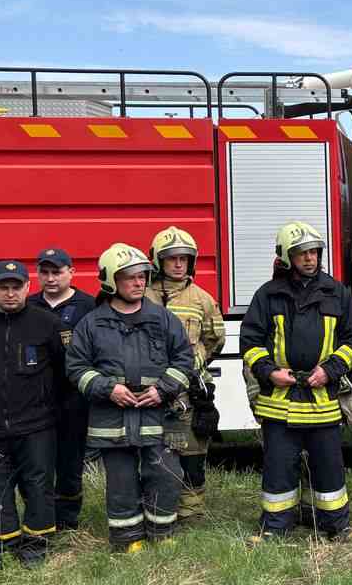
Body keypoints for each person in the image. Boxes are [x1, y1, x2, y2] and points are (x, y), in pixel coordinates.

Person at [240, 222, 352, 541]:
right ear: (286, 257)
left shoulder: (336, 292)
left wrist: (330, 370)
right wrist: (270, 372)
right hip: (279, 400)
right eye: (301, 254)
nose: (310, 259)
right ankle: (275, 528)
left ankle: (337, 526)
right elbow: (250, 342)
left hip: (322, 397)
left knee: (329, 467)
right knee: (279, 467)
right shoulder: (268, 295)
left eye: (314, 252)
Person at [67, 244, 195, 551]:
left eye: (142, 277)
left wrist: (162, 389)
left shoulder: (163, 319)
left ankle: (162, 534)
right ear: (111, 281)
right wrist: (108, 388)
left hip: (160, 414)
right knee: (121, 481)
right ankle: (128, 540)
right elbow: (76, 367)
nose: (138, 283)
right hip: (112, 417)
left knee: (165, 473)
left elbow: (184, 360)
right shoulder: (92, 324)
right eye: (129, 277)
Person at [0, 260, 65, 568]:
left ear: (28, 287)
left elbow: (61, 371)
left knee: (38, 485)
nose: (10, 293)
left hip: (37, 424)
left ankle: (35, 544)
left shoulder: (47, 324)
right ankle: (2, 544)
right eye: (3, 287)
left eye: (16, 287)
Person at [145, 227, 225, 517]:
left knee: (192, 455)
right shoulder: (142, 296)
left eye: (184, 259)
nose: (178, 264)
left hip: (189, 392)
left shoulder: (202, 299)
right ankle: (158, 508)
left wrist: (193, 364)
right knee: (155, 454)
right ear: (158, 261)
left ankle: (190, 512)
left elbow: (215, 339)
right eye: (171, 258)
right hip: (150, 390)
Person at [27, 246, 96, 530]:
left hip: (73, 398)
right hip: (36, 398)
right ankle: (41, 516)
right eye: (45, 272)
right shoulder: (29, 305)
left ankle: (67, 520)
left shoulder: (89, 306)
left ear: (71, 272)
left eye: (57, 272)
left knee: (70, 461)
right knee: (38, 462)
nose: (51, 278)